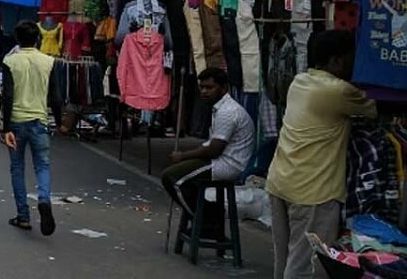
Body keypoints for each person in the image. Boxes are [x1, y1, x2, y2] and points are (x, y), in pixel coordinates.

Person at [268, 30, 377, 279]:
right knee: (305, 266)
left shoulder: (300, 81)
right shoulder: (337, 90)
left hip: (280, 182)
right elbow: (376, 107)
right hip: (312, 191)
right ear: (336, 61)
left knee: (285, 261)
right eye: (351, 59)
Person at [161, 68, 255, 240]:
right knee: (181, 176)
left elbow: (213, 150)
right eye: (202, 87)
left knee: (172, 178)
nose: (204, 92)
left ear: (223, 88)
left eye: (209, 87)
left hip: (227, 164)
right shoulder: (219, 108)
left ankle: (207, 220)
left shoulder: (228, 112)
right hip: (221, 159)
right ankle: (209, 214)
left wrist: (183, 156)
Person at [0, 21, 61, 236]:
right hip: (40, 122)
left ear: (17, 39)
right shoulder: (48, 62)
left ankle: (23, 216)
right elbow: (55, 96)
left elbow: (7, 95)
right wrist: (59, 122)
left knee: (17, 168)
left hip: (16, 122)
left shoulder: (10, 61)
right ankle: (44, 200)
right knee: (42, 166)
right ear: (38, 39)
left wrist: (4, 127)